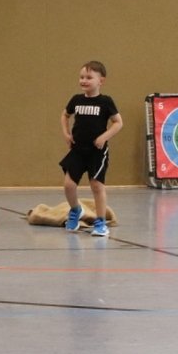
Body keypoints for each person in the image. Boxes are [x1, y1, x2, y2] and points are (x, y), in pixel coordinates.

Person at [60, 61, 123, 237]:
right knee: (69, 185)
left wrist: (104, 137)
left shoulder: (105, 101)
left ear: (101, 81)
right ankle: (76, 210)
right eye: (81, 77)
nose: (84, 80)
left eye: (89, 77)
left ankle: (100, 221)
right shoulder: (76, 100)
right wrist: (66, 134)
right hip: (77, 150)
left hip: (97, 152)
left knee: (96, 185)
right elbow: (65, 115)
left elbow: (118, 123)